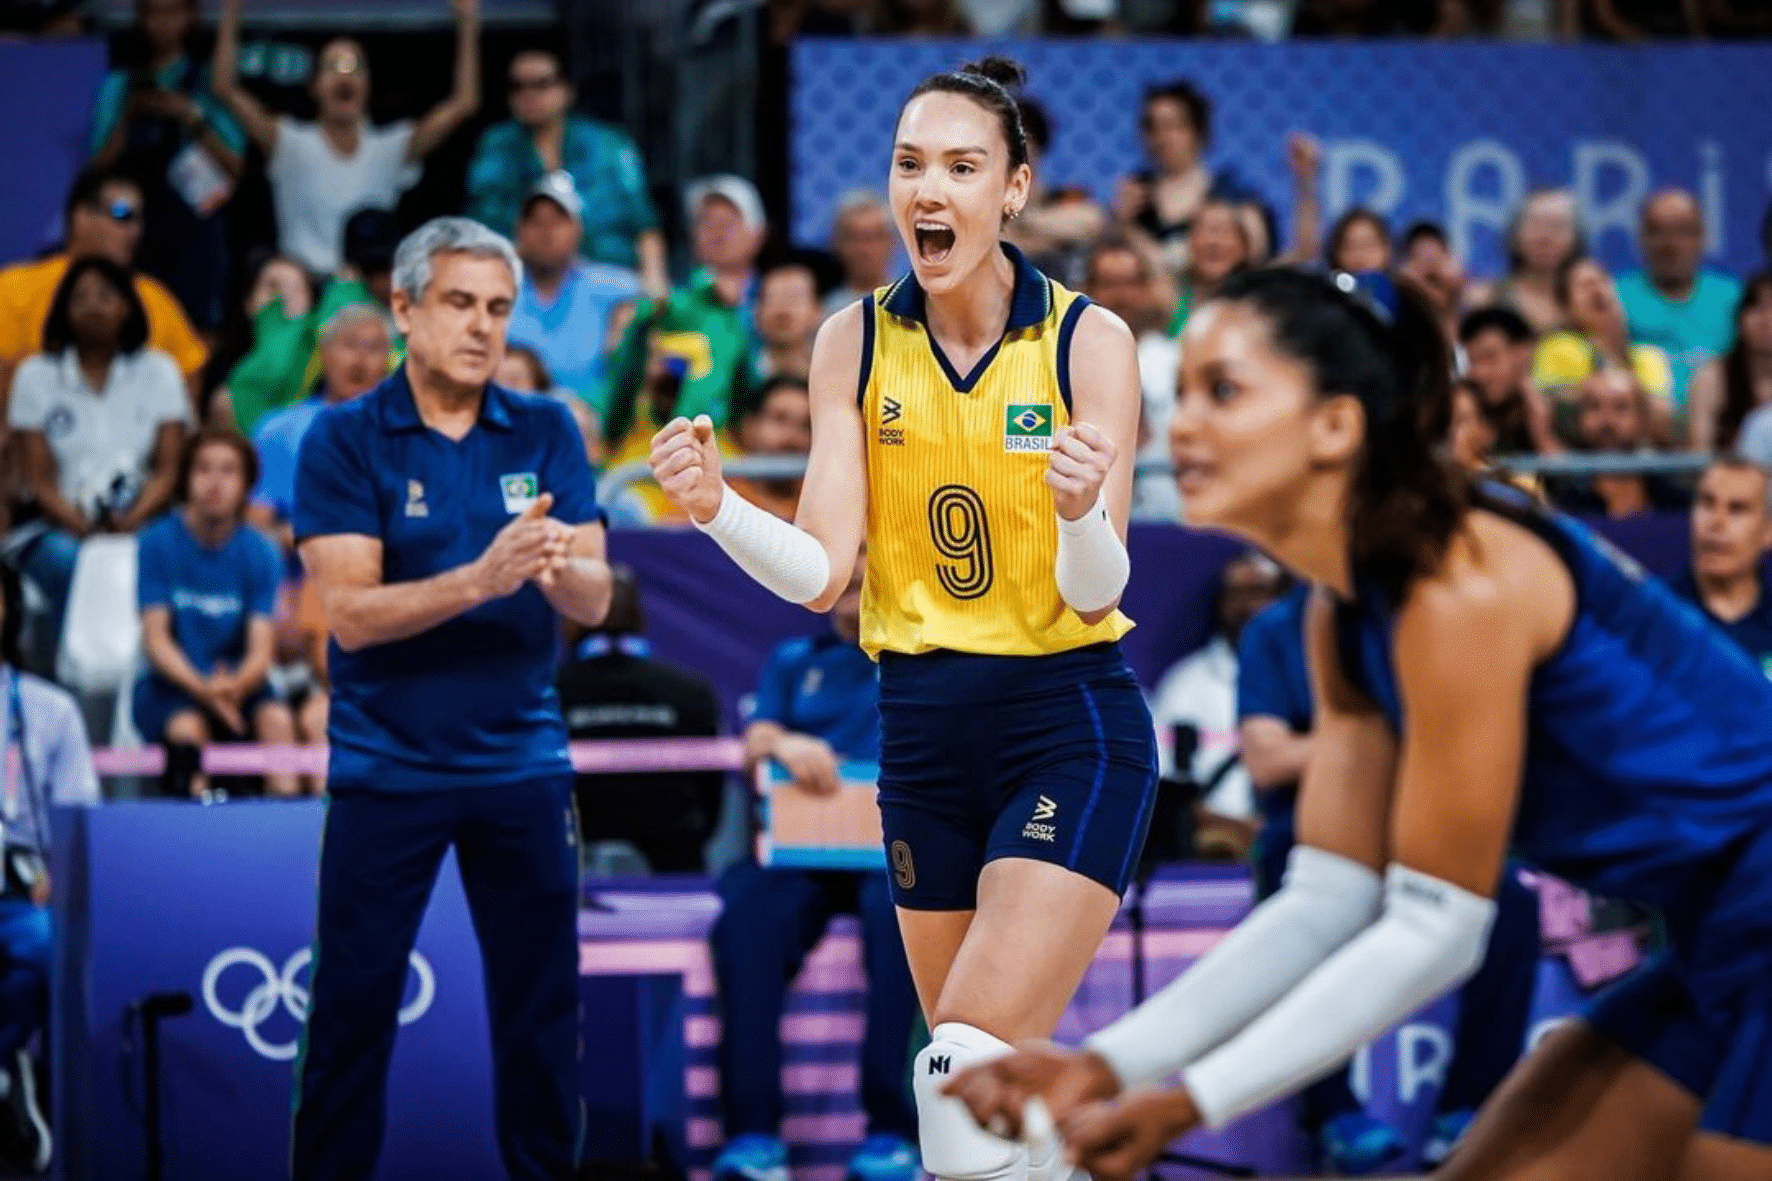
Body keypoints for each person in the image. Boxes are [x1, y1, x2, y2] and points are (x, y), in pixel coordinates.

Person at [946, 266, 1772, 1181]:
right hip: (1723, 934)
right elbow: (1328, 898)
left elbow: (1437, 928)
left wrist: (1191, 1100)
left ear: (1336, 426)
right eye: (1186, 393)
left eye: (1225, 391)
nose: (1182, 424)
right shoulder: (1339, 611)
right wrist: (1106, 1064)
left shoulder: (1460, 588)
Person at [649, 56, 1155, 1181]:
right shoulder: (854, 339)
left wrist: (1080, 511)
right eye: (909, 164)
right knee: (980, 1095)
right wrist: (717, 506)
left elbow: (1097, 591)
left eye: (962, 167)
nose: (929, 189)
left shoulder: (1089, 341)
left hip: (1064, 723)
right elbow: (820, 574)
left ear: (1013, 188)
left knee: (959, 1063)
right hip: (918, 735)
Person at [290, 217, 612, 1179]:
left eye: (499, 309)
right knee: (350, 1013)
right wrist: (483, 576)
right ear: (403, 307)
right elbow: (350, 615)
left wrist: (557, 568)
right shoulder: (343, 437)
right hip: (387, 768)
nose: (482, 327)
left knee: (543, 1015)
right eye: (461, 303)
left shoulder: (547, 426)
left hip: (523, 763)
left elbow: (594, 598)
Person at [710, 555, 920, 1181]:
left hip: (893, 852)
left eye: (862, 571)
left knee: (907, 923)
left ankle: (891, 1133)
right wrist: (783, 742)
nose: (849, 584)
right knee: (746, 925)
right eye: (840, 574)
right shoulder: (794, 660)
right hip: (804, 850)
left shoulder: (923, 652)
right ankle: (753, 1135)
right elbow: (755, 740)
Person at [4, 256, 189, 668]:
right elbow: (38, 480)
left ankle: (148, 679)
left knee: (156, 557)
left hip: (144, 520)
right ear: (62, 310)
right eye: (80, 296)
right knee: (69, 563)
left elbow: (168, 469)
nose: (93, 306)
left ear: (128, 307)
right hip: (57, 525)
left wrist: (131, 520)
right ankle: (61, 682)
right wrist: (83, 528)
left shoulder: (159, 372)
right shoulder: (36, 376)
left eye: (106, 295)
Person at [212, 0, 480, 276]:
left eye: (355, 68)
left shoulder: (390, 148)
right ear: (315, 86)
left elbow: (464, 103)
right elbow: (224, 88)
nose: (344, 77)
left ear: (368, 85)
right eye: (332, 67)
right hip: (303, 286)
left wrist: (468, 20)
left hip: (365, 287)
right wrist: (230, 10)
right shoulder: (289, 142)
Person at [0, 561, 101, 1174]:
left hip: (20, 893)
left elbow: (78, 816)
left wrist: (56, 872)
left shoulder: (48, 709)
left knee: (45, 943)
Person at [134, 428, 298, 799]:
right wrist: (205, 690)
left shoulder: (262, 552)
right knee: (187, 732)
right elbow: (156, 641)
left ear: (246, 484)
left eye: (228, 470)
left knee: (278, 722)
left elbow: (261, 650)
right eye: (203, 469)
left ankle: (288, 826)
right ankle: (197, 827)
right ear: (186, 479)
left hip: (241, 685)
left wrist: (233, 687)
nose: (215, 482)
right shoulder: (155, 543)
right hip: (172, 685)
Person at [87, 0, 247, 330]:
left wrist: (190, 117)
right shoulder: (121, 85)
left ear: (190, 16)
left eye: (172, 11)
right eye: (153, 12)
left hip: (197, 228)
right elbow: (96, 171)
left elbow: (236, 168)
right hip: (134, 228)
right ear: (140, 17)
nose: (162, 23)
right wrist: (131, 115)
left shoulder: (206, 85)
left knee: (195, 326)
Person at [555, 565, 721, 873]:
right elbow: (711, 797)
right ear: (640, 618)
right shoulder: (690, 691)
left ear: (572, 618)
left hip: (568, 864)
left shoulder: (547, 693)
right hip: (674, 868)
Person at [465, 49, 667, 300]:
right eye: (517, 87)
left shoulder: (607, 144)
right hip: (524, 285)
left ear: (567, 90)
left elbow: (644, 222)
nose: (529, 94)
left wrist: (655, 283)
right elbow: (480, 231)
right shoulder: (496, 146)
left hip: (610, 279)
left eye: (542, 84)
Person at [0, 167, 207, 400]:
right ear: (82, 217)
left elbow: (191, 380)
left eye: (140, 219)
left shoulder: (153, 296)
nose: (135, 230)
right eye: (123, 214)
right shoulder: (14, 288)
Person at [1147, 551, 1288, 823]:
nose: (1246, 606)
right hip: (1212, 835)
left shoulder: (1311, 678)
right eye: (1235, 594)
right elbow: (1162, 783)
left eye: (1259, 592)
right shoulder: (1187, 683)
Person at [248, 303, 392, 555]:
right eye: (350, 345)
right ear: (324, 352)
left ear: (388, 361)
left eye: (373, 348)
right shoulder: (278, 429)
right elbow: (253, 529)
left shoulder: (408, 434)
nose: (360, 359)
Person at [506, 170, 642, 399]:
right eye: (536, 222)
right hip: (516, 409)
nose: (546, 232)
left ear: (578, 230)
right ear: (519, 231)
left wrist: (625, 321)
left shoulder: (604, 285)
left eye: (557, 221)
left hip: (588, 413)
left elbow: (657, 295)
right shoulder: (500, 287)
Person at [1616, 190, 1742, 413]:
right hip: (1640, 426)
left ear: (1703, 238)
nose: (1671, 244)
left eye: (1683, 231)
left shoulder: (1734, 299)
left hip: (1721, 425)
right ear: (1641, 238)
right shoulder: (1614, 297)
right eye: (1658, 232)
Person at [1665, 457, 1772, 674]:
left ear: (1768, 531)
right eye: (1707, 504)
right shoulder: (1658, 613)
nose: (1716, 522)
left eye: (1737, 509)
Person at [1469, 189, 1585, 337]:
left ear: (1576, 239)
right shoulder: (1486, 300)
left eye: (1557, 227)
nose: (1545, 238)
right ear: (1514, 235)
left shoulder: (1586, 305)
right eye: (1535, 225)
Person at [1457, 307, 1559, 457]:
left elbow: (1570, 470)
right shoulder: (1465, 407)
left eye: (1489, 357)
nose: (1478, 373)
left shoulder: (1560, 409)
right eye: (1472, 361)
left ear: (1523, 353)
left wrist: (1541, 433)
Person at [1688, 274, 1772, 453]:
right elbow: (1699, 453)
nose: (1766, 318)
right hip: (1727, 469)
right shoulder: (1712, 377)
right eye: (1756, 306)